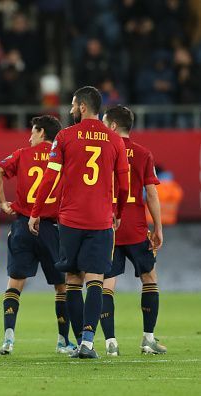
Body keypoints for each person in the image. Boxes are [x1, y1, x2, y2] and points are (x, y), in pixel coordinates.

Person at [28, 86, 130, 359]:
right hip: (100, 220)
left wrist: (36, 211)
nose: (71, 110)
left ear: (82, 107)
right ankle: (87, 342)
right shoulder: (114, 140)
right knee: (95, 279)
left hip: (71, 220)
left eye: (73, 105)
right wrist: (117, 212)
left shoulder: (64, 137)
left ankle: (80, 343)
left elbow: (49, 178)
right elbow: (124, 184)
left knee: (73, 279)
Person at [0, 115, 76, 355]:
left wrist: (2, 202)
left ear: (41, 132)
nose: (29, 136)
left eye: (32, 131)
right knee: (62, 287)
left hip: (22, 225)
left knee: (14, 285)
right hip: (52, 228)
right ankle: (63, 341)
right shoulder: (63, 156)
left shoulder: (22, 154)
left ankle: (8, 339)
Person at [99, 105, 166, 356]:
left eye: (105, 122)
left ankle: (110, 343)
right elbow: (151, 193)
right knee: (149, 278)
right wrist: (158, 227)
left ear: (113, 126)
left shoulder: (102, 151)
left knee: (107, 283)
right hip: (136, 227)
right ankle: (148, 339)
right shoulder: (143, 153)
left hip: (107, 226)